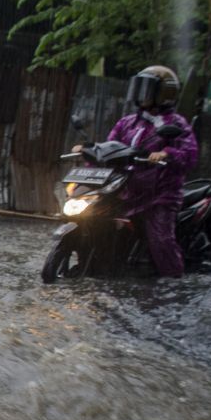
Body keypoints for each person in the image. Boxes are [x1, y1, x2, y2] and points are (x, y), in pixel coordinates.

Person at [77, 65, 199, 278]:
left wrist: (166, 153)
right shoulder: (128, 122)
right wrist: (90, 153)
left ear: (163, 93)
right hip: (127, 190)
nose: (141, 95)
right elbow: (110, 147)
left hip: (160, 195)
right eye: (139, 89)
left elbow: (189, 155)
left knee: (160, 239)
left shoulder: (177, 124)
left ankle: (173, 279)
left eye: (147, 89)